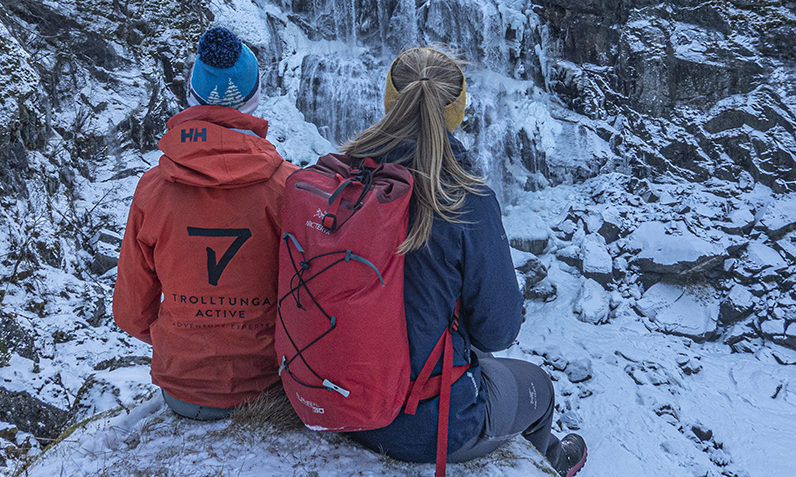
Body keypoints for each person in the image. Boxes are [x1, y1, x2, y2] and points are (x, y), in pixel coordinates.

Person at [342, 47, 587, 476]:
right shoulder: (466, 203)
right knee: (539, 388)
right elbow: (498, 330)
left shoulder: (336, 180)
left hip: (333, 391)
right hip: (418, 425)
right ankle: (550, 460)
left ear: (389, 100)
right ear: (457, 112)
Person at [112, 27, 296, 420]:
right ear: (254, 100)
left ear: (191, 97)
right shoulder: (288, 188)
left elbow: (131, 312)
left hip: (183, 391)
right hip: (270, 384)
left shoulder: (153, 189)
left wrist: (187, 336)